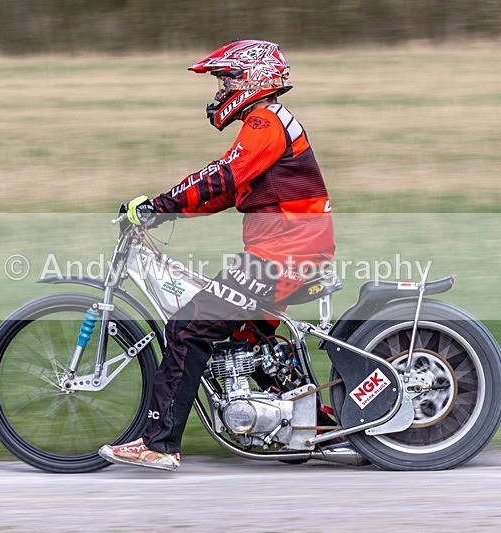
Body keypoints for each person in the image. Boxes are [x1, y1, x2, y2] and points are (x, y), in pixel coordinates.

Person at [98, 39, 335, 471]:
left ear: (252, 77)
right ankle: (312, 427)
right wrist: (164, 210)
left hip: (285, 255)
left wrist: (159, 204)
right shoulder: (268, 122)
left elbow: (224, 174)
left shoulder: (265, 122)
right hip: (290, 250)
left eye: (227, 78)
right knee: (247, 338)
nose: (221, 89)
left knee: (189, 327)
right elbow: (222, 194)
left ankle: (160, 444)